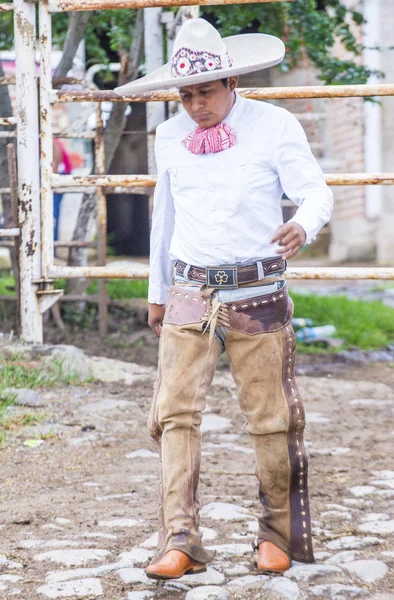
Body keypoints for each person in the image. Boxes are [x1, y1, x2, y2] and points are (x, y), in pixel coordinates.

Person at [115, 18, 333, 580]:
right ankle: (179, 539)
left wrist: (303, 225)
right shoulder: (168, 136)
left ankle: (277, 534)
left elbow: (315, 191)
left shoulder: (275, 125)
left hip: (256, 289)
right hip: (189, 287)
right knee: (173, 414)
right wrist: (157, 291)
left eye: (204, 92)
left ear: (231, 82)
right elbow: (164, 216)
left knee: (271, 416)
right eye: (184, 95)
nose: (194, 105)